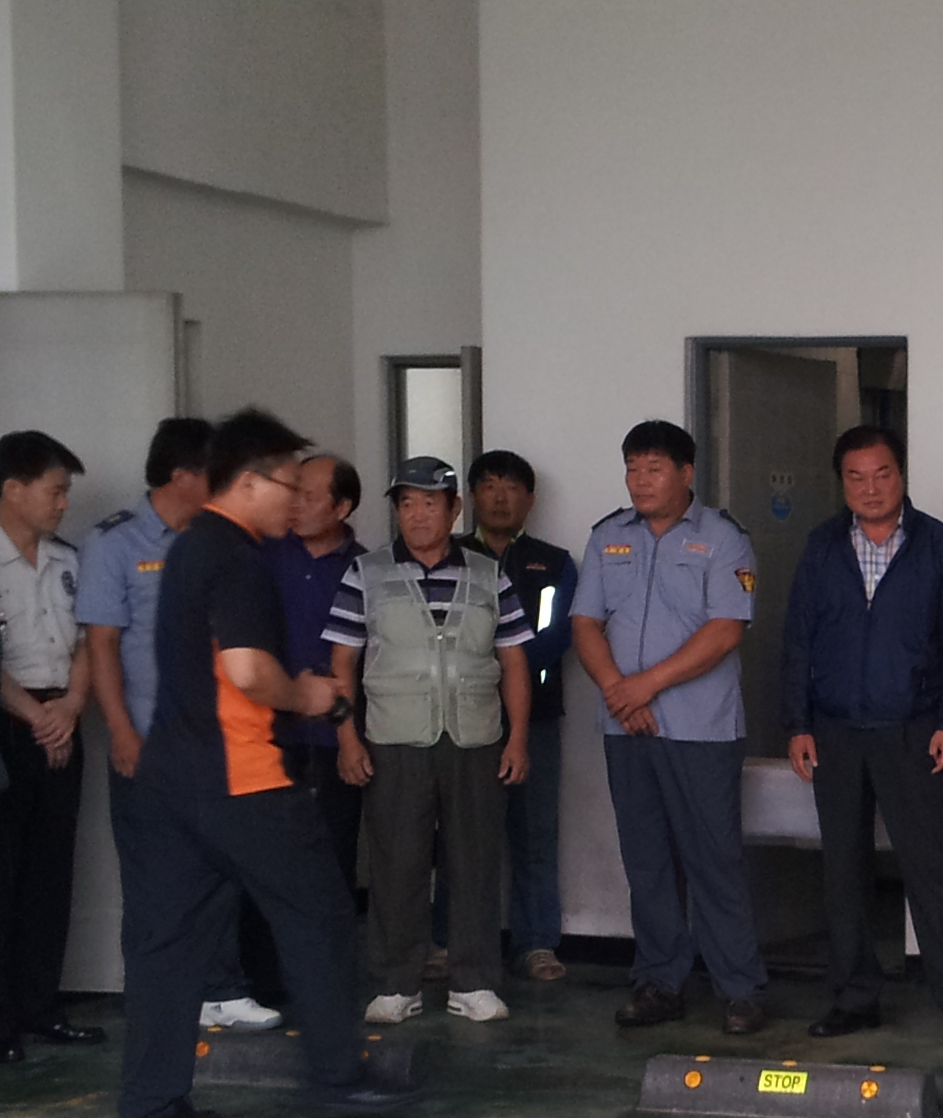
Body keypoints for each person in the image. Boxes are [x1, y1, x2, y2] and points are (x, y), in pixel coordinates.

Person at [116, 409, 414, 1118]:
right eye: (290, 485)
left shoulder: (188, 547)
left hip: (169, 781)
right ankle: (338, 1079)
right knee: (320, 914)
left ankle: (151, 1106)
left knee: (165, 946)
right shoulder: (237, 556)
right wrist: (307, 695)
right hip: (241, 775)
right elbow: (248, 670)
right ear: (248, 483)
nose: (297, 500)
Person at [781, 425, 943, 1045]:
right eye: (856, 477)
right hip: (836, 731)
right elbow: (798, 640)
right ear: (841, 482)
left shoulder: (936, 544)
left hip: (912, 729)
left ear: (901, 474)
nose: (870, 488)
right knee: (842, 872)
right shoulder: (822, 546)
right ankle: (854, 998)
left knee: (931, 869)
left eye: (882, 474)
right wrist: (798, 724)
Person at [79, 417, 277, 1034]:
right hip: (148, 740)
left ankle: (221, 990)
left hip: (215, 743)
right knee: (154, 880)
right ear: (179, 475)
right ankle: (159, 999)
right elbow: (101, 645)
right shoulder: (116, 544)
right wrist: (121, 731)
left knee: (219, 872)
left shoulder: (222, 541)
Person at [574, 420, 766, 1033]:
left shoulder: (723, 538)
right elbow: (585, 623)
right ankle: (659, 982)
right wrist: (618, 691)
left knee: (714, 860)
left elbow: (726, 629)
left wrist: (644, 685)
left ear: (686, 473)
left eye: (654, 469)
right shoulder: (608, 537)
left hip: (701, 730)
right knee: (647, 861)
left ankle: (739, 989)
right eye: (632, 469)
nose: (640, 481)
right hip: (626, 728)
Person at [328, 457, 531, 1022]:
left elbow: (515, 662)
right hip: (394, 739)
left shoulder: (490, 574)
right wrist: (347, 740)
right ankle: (397, 984)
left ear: (454, 509)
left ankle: (474, 982)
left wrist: (517, 740)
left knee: (475, 862)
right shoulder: (365, 573)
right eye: (407, 504)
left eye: (429, 503)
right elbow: (341, 663)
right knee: (397, 865)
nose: (417, 515)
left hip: (476, 739)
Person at [0, 430, 95, 1063]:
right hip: (7, 727)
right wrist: (39, 717)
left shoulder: (68, 559)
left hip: (63, 717)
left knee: (50, 873)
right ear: (13, 489)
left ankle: (41, 1006)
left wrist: (70, 708)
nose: (63, 504)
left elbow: (87, 642)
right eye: (54, 491)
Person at [468, 448, 577, 981]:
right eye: (489, 486)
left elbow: (558, 635)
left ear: (530, 499)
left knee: (535, 835)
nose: (500, 497)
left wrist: (506, 668)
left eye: (511, 487)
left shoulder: (554, 563)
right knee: (462, 838)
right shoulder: (450, 555)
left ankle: (536, 944)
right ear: (471, 497)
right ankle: (455, 943)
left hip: (535, 719)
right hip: (463, 718)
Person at [268, 451, 366, 896]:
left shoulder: (365, 569)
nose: (295, 505)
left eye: (308, 498)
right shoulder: (266, 555)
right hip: (268, 734)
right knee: (268, 863)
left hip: (335, 737)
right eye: (293, 493)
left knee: (332, 859)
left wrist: (350, 738)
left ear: (341, 508)